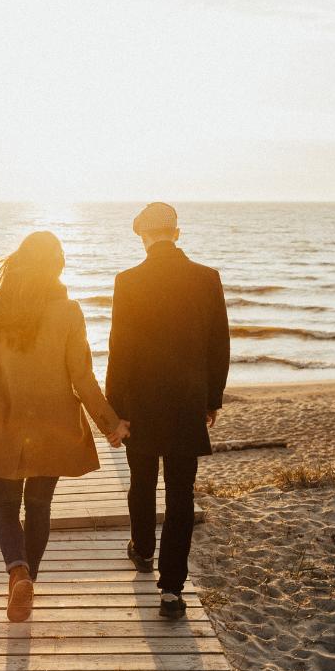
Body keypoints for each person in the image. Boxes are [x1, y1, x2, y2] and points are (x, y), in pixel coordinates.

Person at [0, 231, 130, 623]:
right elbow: (82, 379)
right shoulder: (69, 312)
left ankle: (17, 572)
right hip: (53, 423)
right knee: (38, 506)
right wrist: (110, 423)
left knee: (2, 505)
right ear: (56, 268)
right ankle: (27, 577)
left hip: (2, 420)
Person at [106, 202, 230, 619]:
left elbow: (118, 350)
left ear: (143, 237)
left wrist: (115, 409)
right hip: (186, 403)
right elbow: (219, 346)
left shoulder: (128, 281)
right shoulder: (206, 279)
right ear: (176, 234)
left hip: (140, 404)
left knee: (141, 482)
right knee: (180, 495)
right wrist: (212, 398)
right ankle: (172, 589)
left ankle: (142, 549)